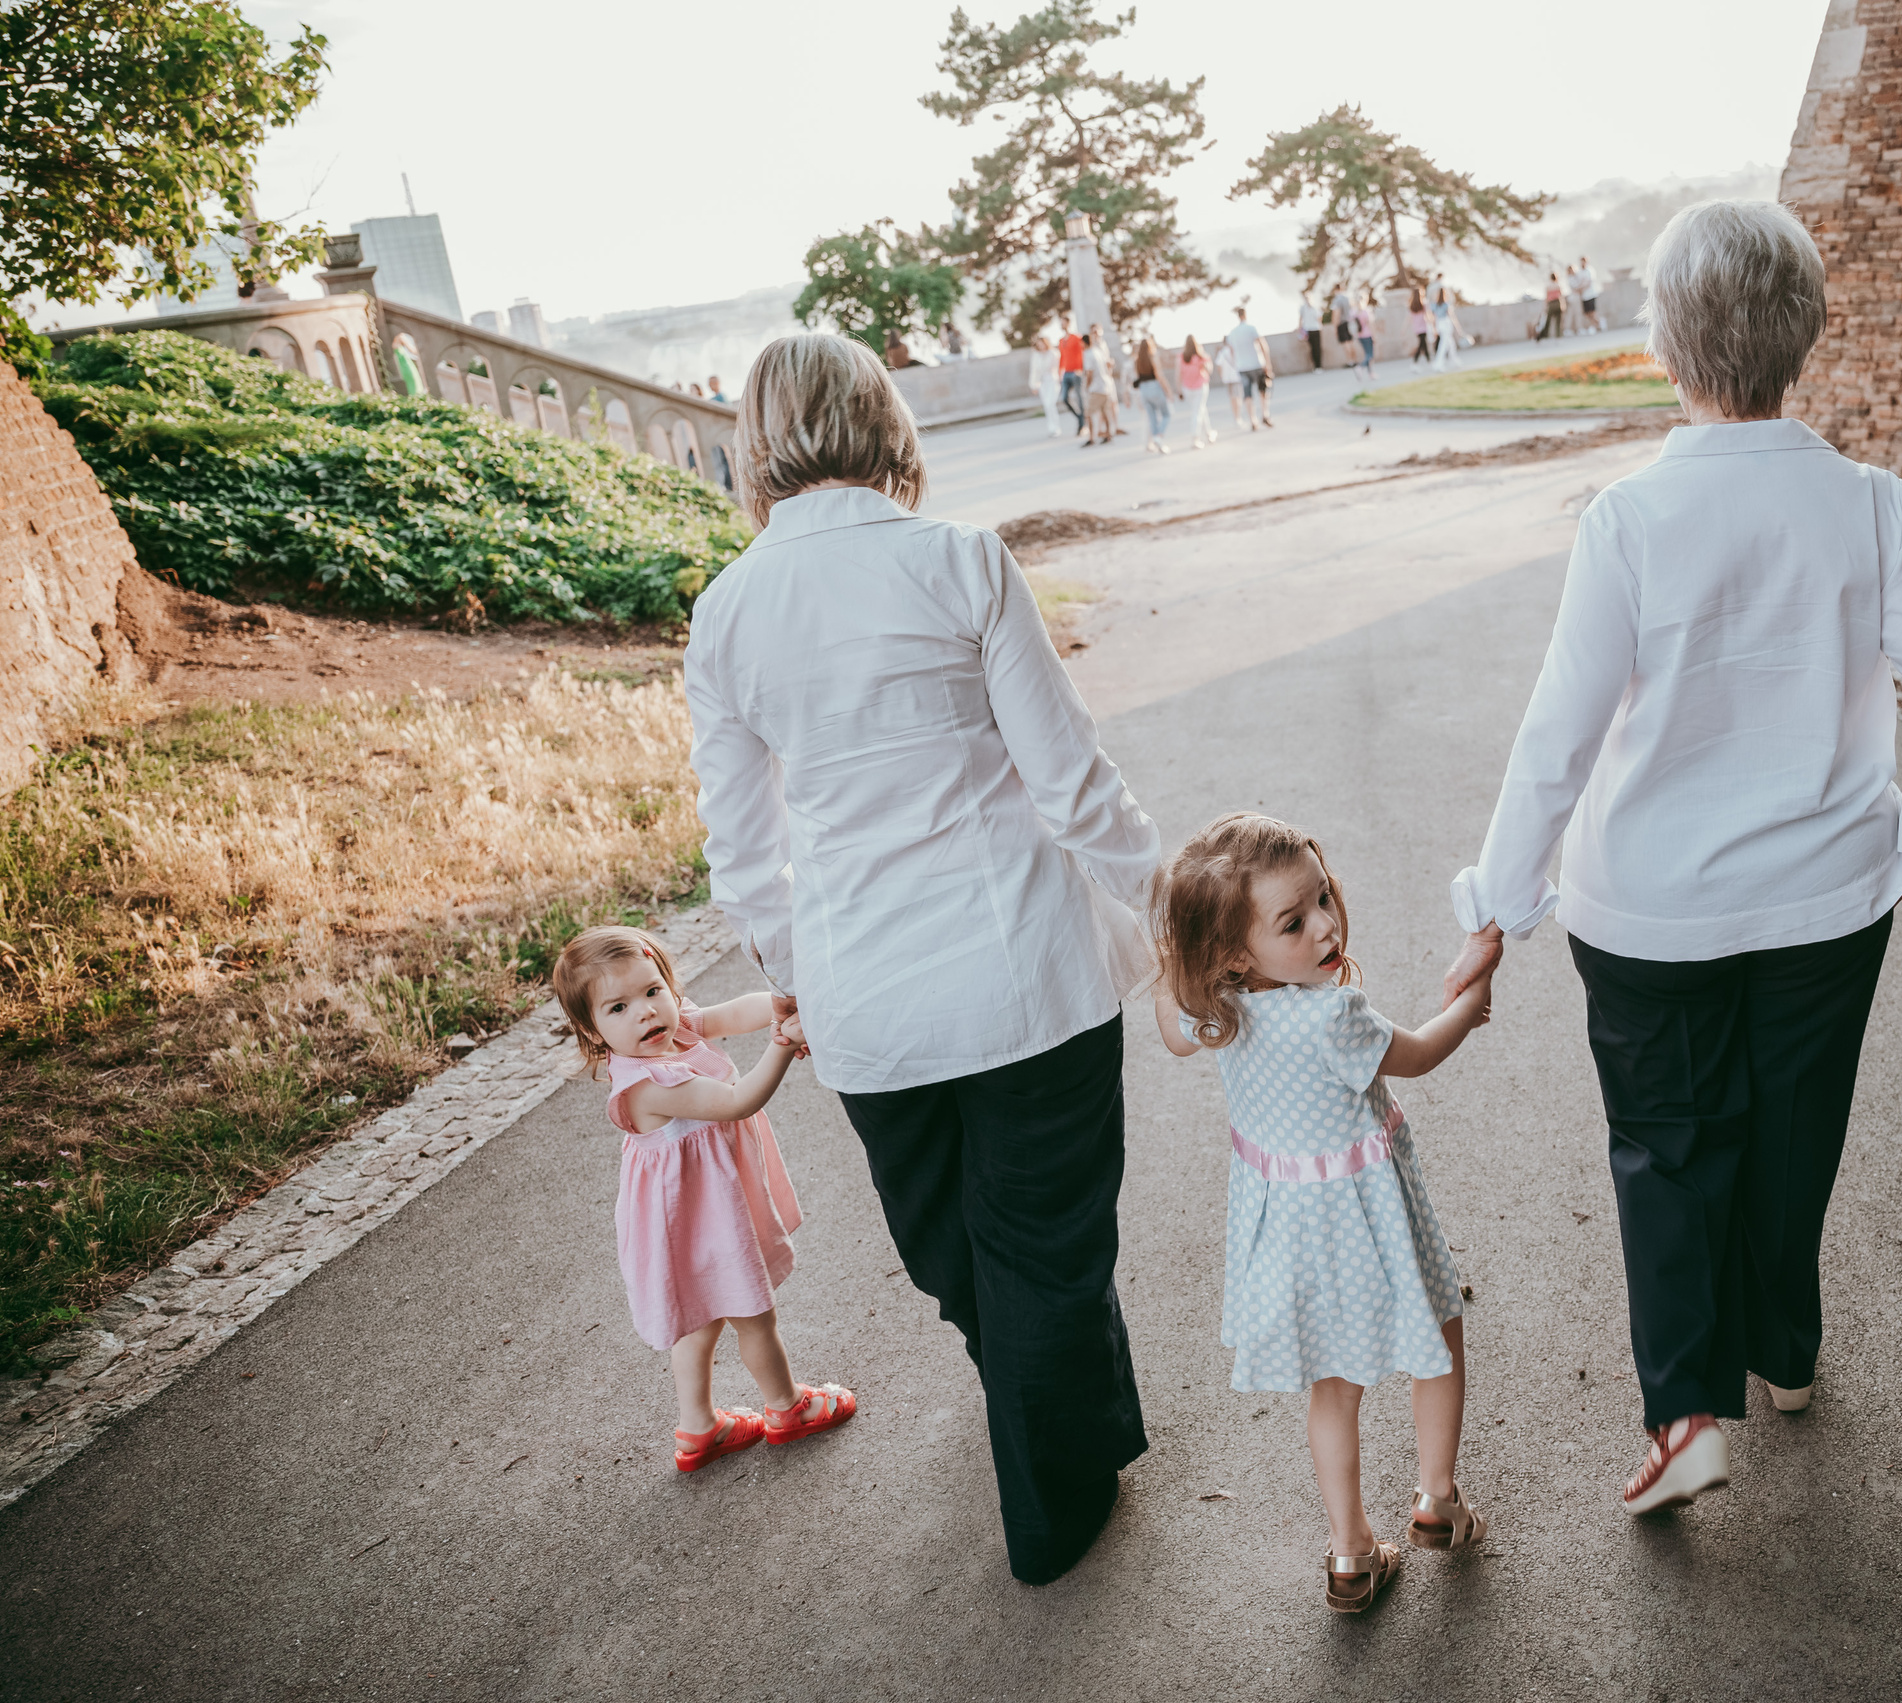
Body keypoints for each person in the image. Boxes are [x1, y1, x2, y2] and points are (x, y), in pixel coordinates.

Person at [1441, 200, 1902, 1517]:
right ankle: (1787, 1353)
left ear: (1666, 345)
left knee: (1669, 1146)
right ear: (1802, 335)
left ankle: (1686, 1412)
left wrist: (1501, 900)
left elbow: (1557, 738)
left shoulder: (1628, 520)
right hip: (1827, 896)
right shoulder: (1872, 505)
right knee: (1797, 1127)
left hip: (1648, 910)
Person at [692, 333, 1161, 1584]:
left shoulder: (726, 610)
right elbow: (1068, 778)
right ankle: (1065, 1462)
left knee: (958, 1251)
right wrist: (1164, 904)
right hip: (1025, 972)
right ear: (880, 418)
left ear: (756, 442)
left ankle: (1057, 1464)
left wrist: (806, 967)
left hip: (871, 1004)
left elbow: (740, 854)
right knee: (1040, 1249)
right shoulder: (957, 561)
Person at [1152, 814, 1494, 1614]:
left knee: (1333, 1391)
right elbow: (1418, 1052)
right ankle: (1436, 1503)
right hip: (1370, 1220)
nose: (1326, 926)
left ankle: (1350, 1555)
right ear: (1239, 951)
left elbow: (1172, 1028)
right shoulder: (1332, 1015)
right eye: (1294, 920)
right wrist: (1469, 1004)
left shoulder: (1218, 1007)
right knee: (1438, 1336)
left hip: (1294, 1237)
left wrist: (1179, 957)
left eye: (1323, 898)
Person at [553, 925, 857, 1475]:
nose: (645, 1013)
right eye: (618, 1007)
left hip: (691, 1216)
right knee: (752, 1314)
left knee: (702, 1319)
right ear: (592, 1031)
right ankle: (788, 1408)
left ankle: (698, 1429)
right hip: (705, 1220)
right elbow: (738, 1100)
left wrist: (778, 1004)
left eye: (652, 991)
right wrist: (784, 1043)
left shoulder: (673, 1031)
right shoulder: (650, 1084)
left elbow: (729, 1014)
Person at [1225, 305, 1274, 430]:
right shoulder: (1252, 328)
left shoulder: (1232, 333)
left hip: (1242, 367)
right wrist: (1267, 364)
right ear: (1245, 315)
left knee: (1247, 395)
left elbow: (1231, 352)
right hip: (1256, 364)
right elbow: (1263, 345)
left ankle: (1253, 419)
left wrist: (1236, 364)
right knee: (1263, 391)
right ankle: (1265, 414)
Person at [1132, 333, 1173, 455]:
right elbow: (1159, 375)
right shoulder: (1152, 357)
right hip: (1154, 387)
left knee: (1152, 417)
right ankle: (1159, 435)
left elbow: (1137, 377)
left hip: (1143, 390)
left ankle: (1156, 438)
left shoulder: (1137, 361)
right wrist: (1168, 391)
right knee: (1167, 414)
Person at [1083, 323, 1122, 444]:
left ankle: (1091, 438)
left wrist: (1087, 386)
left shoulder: (1089, 353)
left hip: (1096, 387)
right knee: (1105, 411)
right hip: (1105, 385)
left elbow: (1089, 372)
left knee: (1088, 413)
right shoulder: (1098, 351)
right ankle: (1108, 434)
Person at [1179, 333, 1216, 448]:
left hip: (1187, 388)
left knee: (1200, 409)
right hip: (1200, 387)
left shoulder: (1181, 357)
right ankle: (1195, 438)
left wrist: (1179, 389)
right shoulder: (1201, 356)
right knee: (1197, 412)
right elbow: (1209, 370)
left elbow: (1178, 374)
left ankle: (1209, 433)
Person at [1056, 321, 1087, 440]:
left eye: (1063, 323)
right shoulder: (1060, 341)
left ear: (1068, 324)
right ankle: (1080, 417)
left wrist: (1081, 369)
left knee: (1079, 398)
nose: (1062, 325)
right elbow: (1062, 357)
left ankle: (1082, 425)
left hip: (1076, 372)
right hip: (1066, 373)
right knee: (1064, 398)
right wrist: (1060, 372)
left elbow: (1082, 352)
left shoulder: (1076, 338)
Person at [1031, 336, 1065, 437]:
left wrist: (1060, 379)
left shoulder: (1053, 353)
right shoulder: (1036, 355)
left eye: (1042, 343)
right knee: (1046, 404)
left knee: (1051, 403)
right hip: (1042, 382)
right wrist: (1034, 385)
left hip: (1052, 380)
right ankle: (1051, 427)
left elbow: (1060, 367)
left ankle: (1056, 427)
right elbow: (1034, 371)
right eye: (1038, 343)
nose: (1040, 345)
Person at [1429, 275, 1462, 372]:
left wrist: (1434, 328)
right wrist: (1458, 329)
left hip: (1440, 324)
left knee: (1450, 343)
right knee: (1443, 344)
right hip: (1446, 324)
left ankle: (1455, 360)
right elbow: (1452, 317)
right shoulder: (1446, 305)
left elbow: (1433, 318)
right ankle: (1438, 364)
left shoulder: (1434, 305)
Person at [1215, 336, 1244, 428]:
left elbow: (1218, 365)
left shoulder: (1222, 352)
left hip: (1227, 378)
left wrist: (1222, 375)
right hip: (1236, 377)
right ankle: (1238, 417)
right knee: (1238, 397)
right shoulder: (1234, 350)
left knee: (1232, 398)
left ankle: (1235, 417)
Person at [1330, 282, 1357, 369]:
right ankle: (1354, 360)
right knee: (1351, 342)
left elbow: (1336, 314)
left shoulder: (1337, 300)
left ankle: (1350, 361)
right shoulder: (1348, 298)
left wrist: (1335, 327)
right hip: (1349, 322)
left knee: (1346, 343)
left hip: (1342, 323)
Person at [1576, 256, 1606, 332]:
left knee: (1592, 312)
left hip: (1591, 294)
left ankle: (1598, 324)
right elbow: (1579, 282)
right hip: (1584, 296)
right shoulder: (1579, 272)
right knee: (1587, 314)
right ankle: (1597, 325)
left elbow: (1589, 282)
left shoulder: (1590, 270)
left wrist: (1581, 288)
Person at [1352, 292, 1377, 380]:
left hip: (1360, 336)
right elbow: (1370, 325)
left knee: (1367, 355)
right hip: (1367, 335)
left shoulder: (1355, 312)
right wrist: (1374, 336)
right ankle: (1360, 367)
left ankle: (1371, 374)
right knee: (1370, 355)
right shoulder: (1366, 311)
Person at [1298, 289, 1325, 372]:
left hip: (1316, 329)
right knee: (1312, 349)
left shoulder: (1316, 307)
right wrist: (1300, 329)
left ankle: (1319, 366)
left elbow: (1319, 318)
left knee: (1318, 348)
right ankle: (1315, 366)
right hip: (1308, 330)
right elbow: (1301, 319)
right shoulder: (1303, 308)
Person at [1407, 290, 1434, 367]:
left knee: (1423, 344)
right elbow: (1428, 316)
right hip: (1423, 327)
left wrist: (1404, 329)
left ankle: (1427, 360)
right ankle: (1416, 361)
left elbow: (1409, 319)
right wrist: (1432, 323)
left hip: (1417, 329)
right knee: (1422, 345)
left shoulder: (1412, 306)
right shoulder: (1423, 305)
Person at [1536, 272, 1565, 341]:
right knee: (1558, 321)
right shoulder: (1558, 285)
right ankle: (1558, 335)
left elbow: (1546, 298)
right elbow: (1561, 296)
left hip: (1551, 304)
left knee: (1548, 321)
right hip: (1558, 303)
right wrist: (1563, 305)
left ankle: (1545, 335)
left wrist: (1545, 307)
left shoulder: (1548, 286)